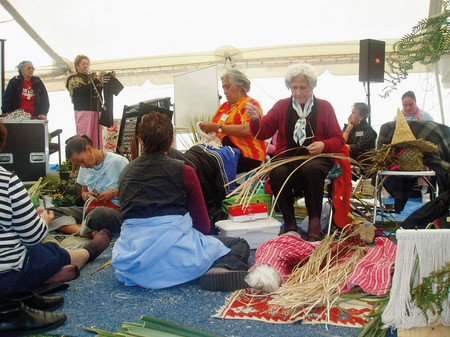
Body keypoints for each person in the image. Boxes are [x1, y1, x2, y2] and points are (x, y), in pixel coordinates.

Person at [112, 112, 250, 291]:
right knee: (239, 244)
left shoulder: (125, 173)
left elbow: (127, 217)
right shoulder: (184, 170)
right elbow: (203, 225)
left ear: (141, 141)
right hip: (177, 251)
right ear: (171, 142)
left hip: (133, 257)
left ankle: (158, 271)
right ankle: (218, 269)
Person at [0, 122, 111, 335]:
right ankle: (87, 251)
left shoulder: (116, 162)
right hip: (8, 275)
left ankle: (33, 287)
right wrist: (45, 222)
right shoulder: (6, 181)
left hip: (103, 209)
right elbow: (33, 236)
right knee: (46, 250)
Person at [246, 63, 352, 241]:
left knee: (310, 169)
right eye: (294, 87)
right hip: (287, 158)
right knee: (278, 172)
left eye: (303, 87)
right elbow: (262, 132)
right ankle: (290, 224)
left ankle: (315, 223)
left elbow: (338, 139)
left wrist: (323, 146)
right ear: (289, 87)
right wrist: (256, 119)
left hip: (316, 158)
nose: (298, 92)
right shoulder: (281, 106)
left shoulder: (325, 107)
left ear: (312, 86)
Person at [47, 136, 129, 237]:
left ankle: (80, 228)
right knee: (50, 212)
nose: (82, 166)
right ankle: (83, 231)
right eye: (78, 164)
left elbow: (134, 190)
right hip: (92, 210)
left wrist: (114, 192)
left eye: (81, 161)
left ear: (89, 149)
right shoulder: (84, 168)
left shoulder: (118, 161)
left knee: (99, 215)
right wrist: (87, 196)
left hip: (115, 212)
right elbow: (83, 192)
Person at [199, 69, 267, 173]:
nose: (225, 91)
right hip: (223, 150)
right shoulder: (223, 107)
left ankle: (221, 188)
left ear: (240, 87)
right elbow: (213, 130)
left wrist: (218, 128)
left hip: (247, 154)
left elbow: (248, 129)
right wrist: (206, 128)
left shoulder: (251, 104)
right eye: (223, 87)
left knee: (209, 163)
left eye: (228, 87)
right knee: (197, 157)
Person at [66, 55, 116, 149]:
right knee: (85, 136)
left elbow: (103, 89)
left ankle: (97, 156)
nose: (86, 66)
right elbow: (82, 91)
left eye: (87, 64)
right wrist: (96, 79)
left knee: (97, 137)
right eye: (83, 64)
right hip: (84, 110)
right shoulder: (73, 79)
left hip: (96, 109)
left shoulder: (93, 78)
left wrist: (110, 78)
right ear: (77, 66)